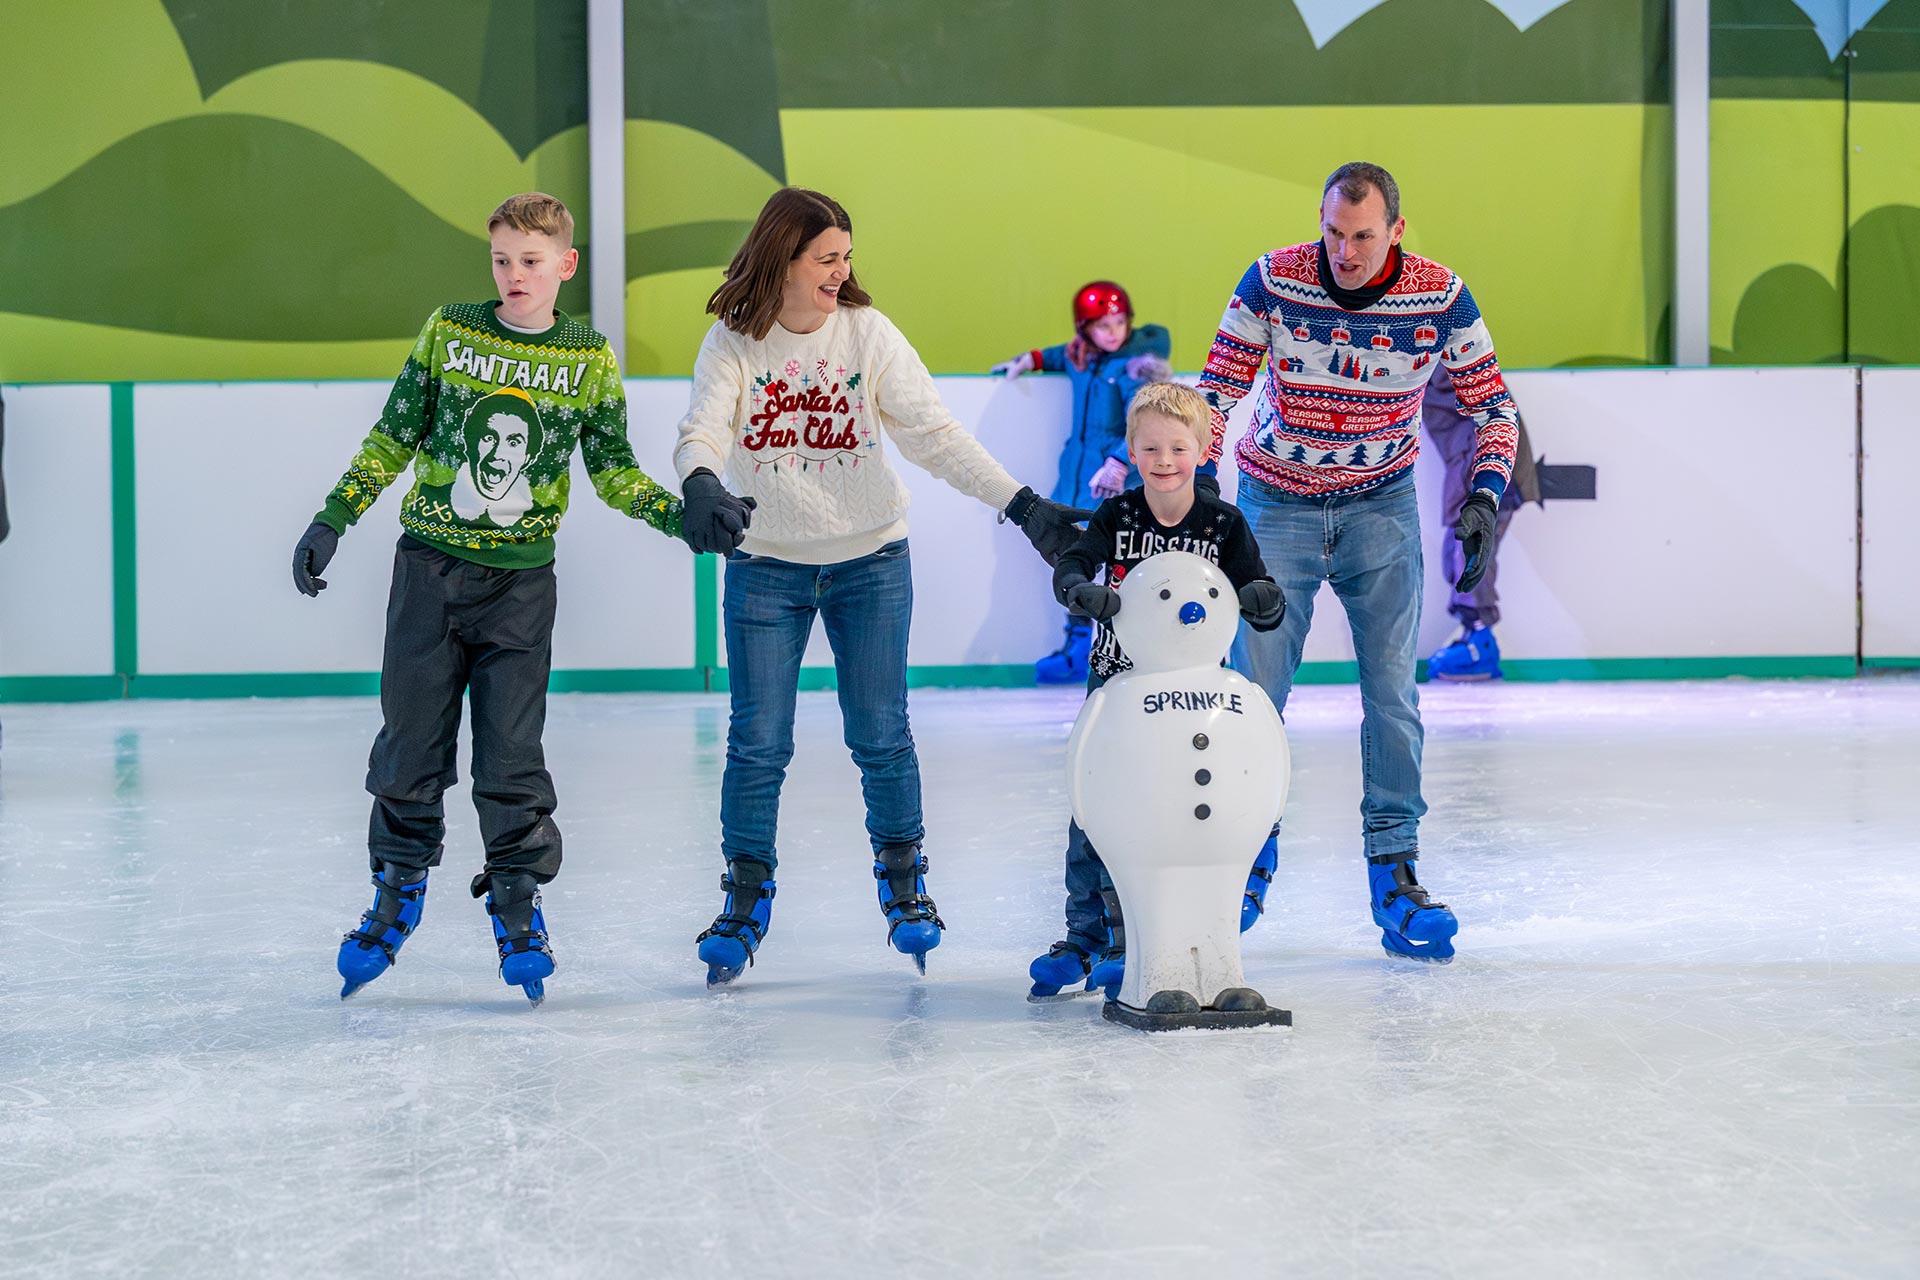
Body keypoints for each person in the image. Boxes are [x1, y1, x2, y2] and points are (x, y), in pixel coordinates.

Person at [292, 192, 709, 1004]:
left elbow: (614, 472)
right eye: (501, 259)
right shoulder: (450, 331)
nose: (513, 274)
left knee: (512, 756)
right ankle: (397, 891)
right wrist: (332, 517)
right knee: (409, 747)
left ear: (565, 265)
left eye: (529, 260)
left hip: (519, 589)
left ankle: (518, 902)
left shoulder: (587, 358)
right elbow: (393, 435)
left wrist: (680, 517)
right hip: (427, 575)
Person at [673, 186, 1087, 986]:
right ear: (783, 259)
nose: (841, 272)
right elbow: (705, 428)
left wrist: (1023, 505)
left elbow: (935, 435)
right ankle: (744, 897)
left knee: (880, 733)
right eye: (826, 259)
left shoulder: (867, 333)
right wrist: (700, 480)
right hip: (765, 568)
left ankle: (905, 885)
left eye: (846, 257)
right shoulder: (734, 342)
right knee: (758, 742)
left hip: (870, 564)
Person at [1196, 161, 1520, 964]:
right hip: (1276, 504)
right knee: (1254, 692)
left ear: (1396, 231)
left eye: (1363, 236)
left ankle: (1396, 873)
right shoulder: (1273, 280)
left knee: (1393, 695)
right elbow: (1217, 392)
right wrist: (1200, 480)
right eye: (1334, 233)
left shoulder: (1441, 297)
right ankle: (1244, 856)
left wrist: (1483, 495)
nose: (1344, 252)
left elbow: (1494, 409)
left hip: (1381, 508)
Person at [1029, 382, 1286, 1000]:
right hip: (1118, 683)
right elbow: (1074, 562)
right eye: (1149, 448)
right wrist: (1077, 589)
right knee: (1098, 809)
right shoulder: (1118, 515)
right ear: (1131, 450)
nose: (1163, 460)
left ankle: (1145, 940)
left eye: (1177, 448)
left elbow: (1256, 588)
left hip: (1193, 701)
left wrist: (1265, 602)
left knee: (1170, 813)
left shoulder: (1223, 523)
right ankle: (1085, 935)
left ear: (1202, 450)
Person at [992, 283, 1177, 683]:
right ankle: (1077, 646)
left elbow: (1145, 419)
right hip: (1076, 482)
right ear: (1085, 329)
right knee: (1073, 562)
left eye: (1119, 323)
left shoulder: (1135, 367)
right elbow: (1058, 355)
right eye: (1102, 326)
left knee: (1124, 567)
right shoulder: (1081, 357)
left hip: (1115, 485)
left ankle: (1131, 648)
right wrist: (1030, 360)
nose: (1113, 332)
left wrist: (1118, 460)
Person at [1422, 363, 1539, 680]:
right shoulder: (1433, 368)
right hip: (1471, 467)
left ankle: (1480, 640)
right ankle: (1474, 635)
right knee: (1457, 553)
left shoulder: (1448, 360)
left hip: (1489, 473)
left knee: (1470, 552)